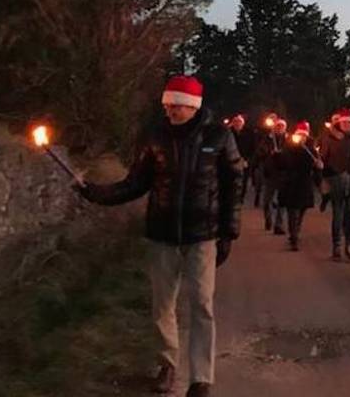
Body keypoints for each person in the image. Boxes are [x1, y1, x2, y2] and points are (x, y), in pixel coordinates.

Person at [74, 76, 243, 397]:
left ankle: (201, 378)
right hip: (162, 234)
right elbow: (135, 183)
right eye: (166, 106)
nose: (169, 111)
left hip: (202, 234)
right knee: (162, 305)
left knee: (202, 306)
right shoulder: (156, 137)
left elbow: (234, 185)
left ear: (191, 105)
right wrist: (93, 193)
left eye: (175, 106)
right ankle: (168, 364)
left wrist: (228, 233)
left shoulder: (219, 136)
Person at [319, 107, 350, 263]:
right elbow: (323, 159)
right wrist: (322, 170)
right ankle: (336, 247)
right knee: (338, 216)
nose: (347, 125)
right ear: (340, 122)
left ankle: (349, 246)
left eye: (349, 122)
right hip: (336, 181)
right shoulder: (329, 138)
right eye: (344, 122)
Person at [278, 121, 322, 251]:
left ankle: (296, 231)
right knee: (293, 211)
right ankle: (294, 237)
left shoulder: (310, 148)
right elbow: (283, 163)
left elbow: (316, 166)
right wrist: (278, 157)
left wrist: (319, 168)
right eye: (300, 135)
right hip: (291, 183)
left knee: (301, 210)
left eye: (304, 135)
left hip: (304, 183)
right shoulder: (289, 146)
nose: (302, 137)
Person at [256, 117, 287, 234]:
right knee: (267, 200)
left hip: (283, 173)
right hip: (270, 173)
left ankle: (279, 224)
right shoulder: (268, 139)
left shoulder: (288, 140)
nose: (280, 128)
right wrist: (269, 152)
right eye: (278, 126)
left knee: (282, 200)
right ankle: (268, 219)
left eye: (282, 126)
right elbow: (260, 152)